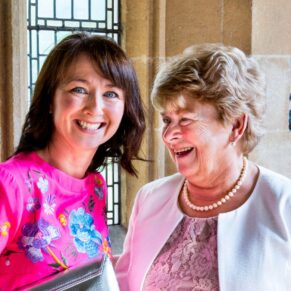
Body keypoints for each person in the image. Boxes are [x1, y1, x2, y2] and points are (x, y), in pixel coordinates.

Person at [115, 43, 291, 290]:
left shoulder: (284, 205)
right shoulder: (150, 198)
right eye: (167, 120)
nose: (169, 135)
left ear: (236, 126)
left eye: (185, 119)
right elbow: (122, 284)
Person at [0, 32, 145, 290]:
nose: (95, 108)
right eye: (79, 89)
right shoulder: (11, 184)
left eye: (111, 93)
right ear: (49, 101)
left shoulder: (96, 187)